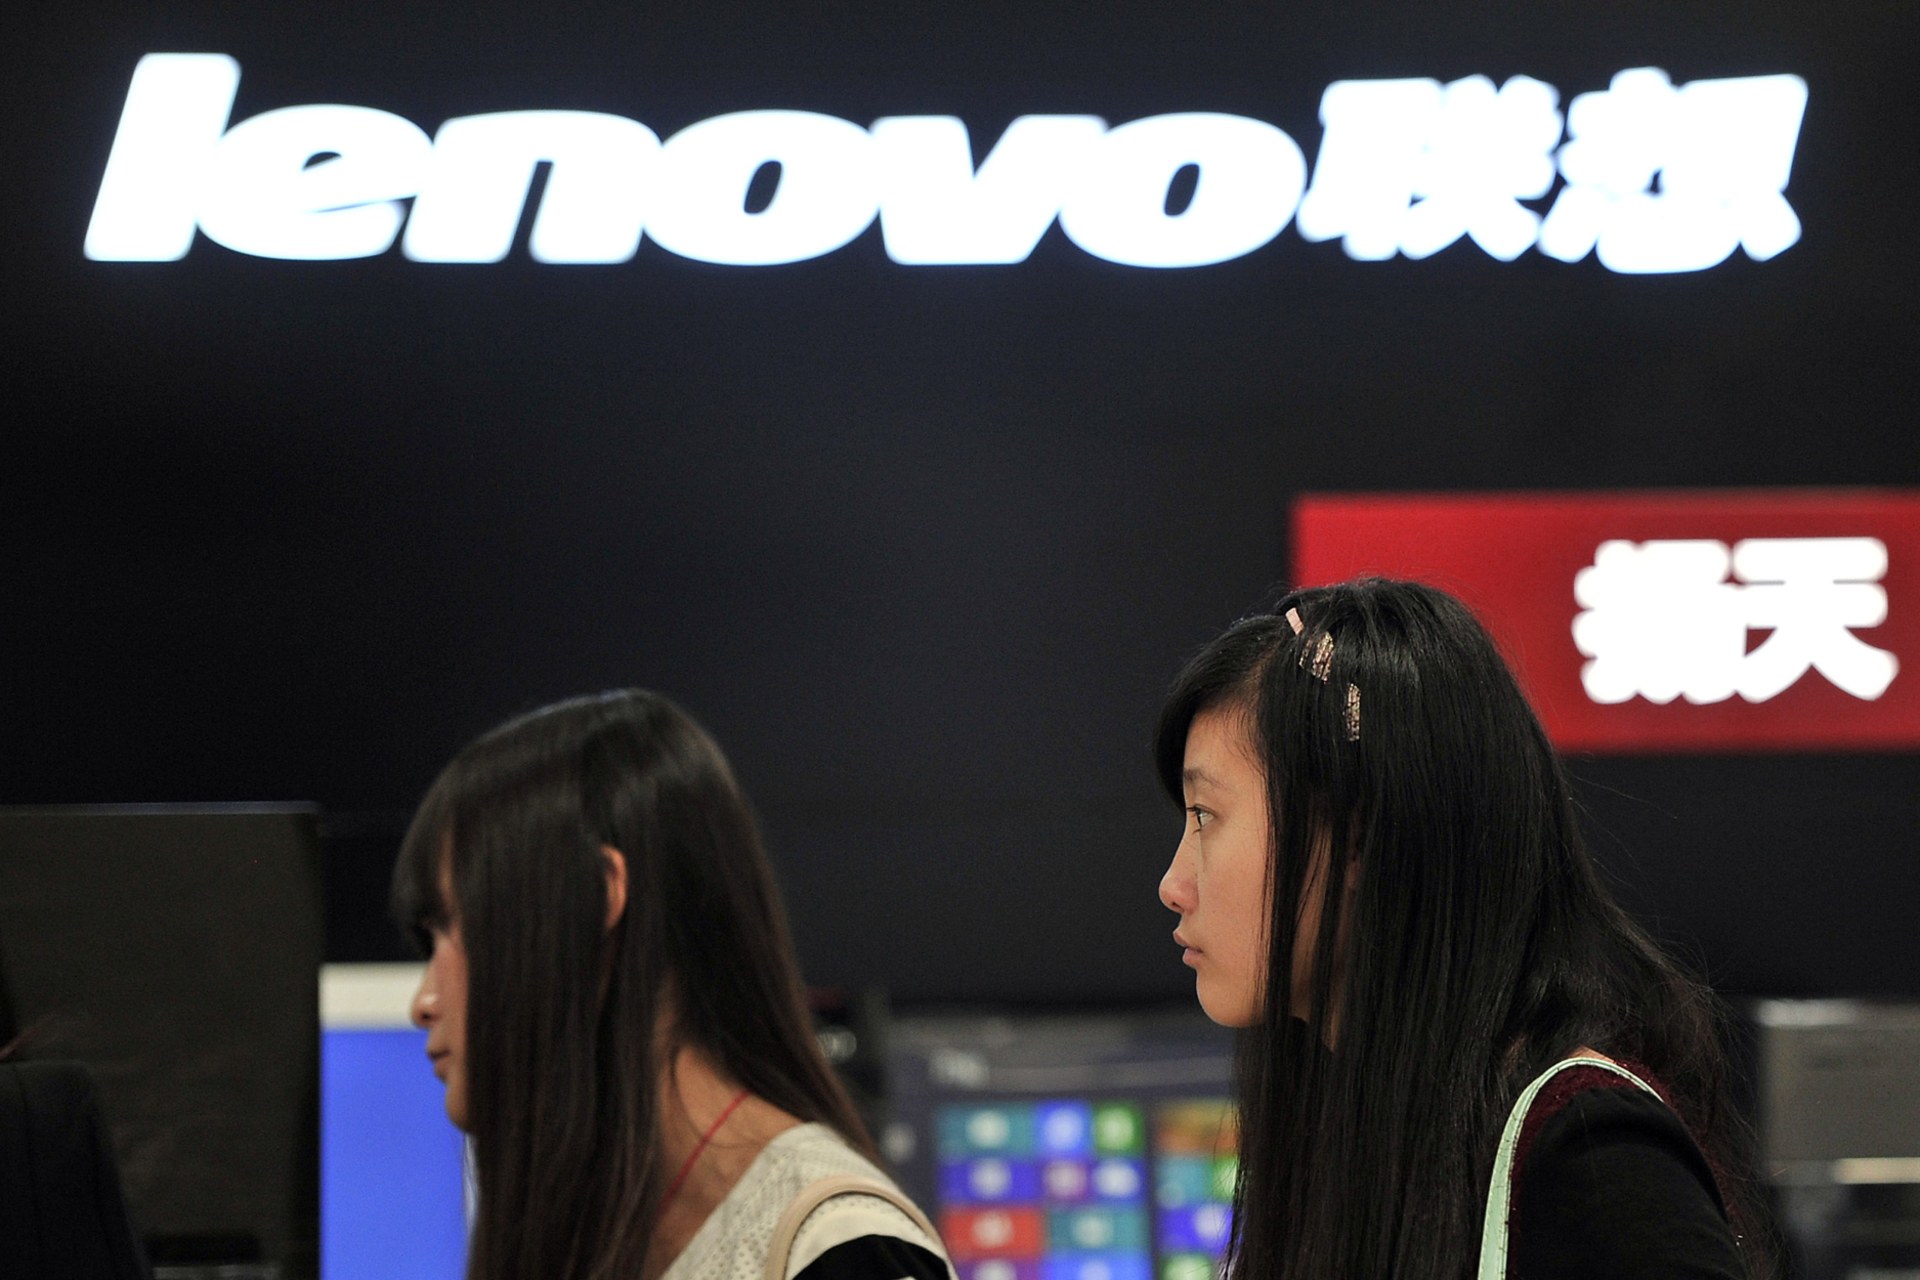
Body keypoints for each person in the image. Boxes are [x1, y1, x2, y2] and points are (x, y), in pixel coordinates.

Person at [1155, 580, 1777, 1280]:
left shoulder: (1589, 1157)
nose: (1173, 885)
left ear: (1359, 831)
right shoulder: (1344, 1130)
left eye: (1206, 815)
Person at [392, 690, 951, 1280]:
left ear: (592, 899)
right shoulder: (594, 1234)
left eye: (452, 927)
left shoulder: (840, 1250)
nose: (422, 1003)